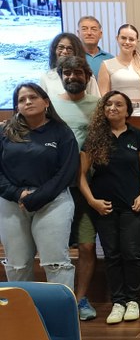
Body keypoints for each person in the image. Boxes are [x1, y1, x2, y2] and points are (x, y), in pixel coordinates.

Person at [0, 83, 78, 290]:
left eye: (33, 97)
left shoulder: (62, 132)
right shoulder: (4, 132)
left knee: (55, 263)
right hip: (12, 203)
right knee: (17, 265)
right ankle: (22, 310)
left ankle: (60, 310)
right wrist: (17, 194)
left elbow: (67, 171)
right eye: (21, 100)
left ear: (46, 102)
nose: (27, 102)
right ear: (17, 107)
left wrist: (37, 197)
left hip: (53, 202)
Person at [80, 91, 140, 324]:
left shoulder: (138, 136)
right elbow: (80, 175)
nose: (113, 108)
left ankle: (133, 301)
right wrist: (92, 201)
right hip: (104, 206)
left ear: (128, 110)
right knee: (112, 254)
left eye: (119, 104)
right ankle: (118, 302)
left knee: (132, 253)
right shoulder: (94, 138)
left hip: (132, 205)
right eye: (108, 104)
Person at [49, 56, 101, 321]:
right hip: (53, 186)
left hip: (85, 186)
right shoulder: (50, 104)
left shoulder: (98, 105)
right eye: (67, 73)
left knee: (87, 246)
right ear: (61, 76)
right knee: (55, 247)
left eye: (78, 72)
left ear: (87, 76)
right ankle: (59, 300)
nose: (72, 77)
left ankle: (80, 299)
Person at [98, 23, 140, 115]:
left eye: (131, 39)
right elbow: (104, 96)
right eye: (123, 38)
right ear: (117, 38)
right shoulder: (106, 65)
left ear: (137, 42)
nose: (127, 42)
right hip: (117, 112)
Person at [39, 32, 100, 97]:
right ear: (54, 50)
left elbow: (96, 100)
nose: (65, 51)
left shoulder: (86, 75)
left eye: (69, 48)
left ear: (77, 51)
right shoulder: (46, 77)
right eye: (60, 47)